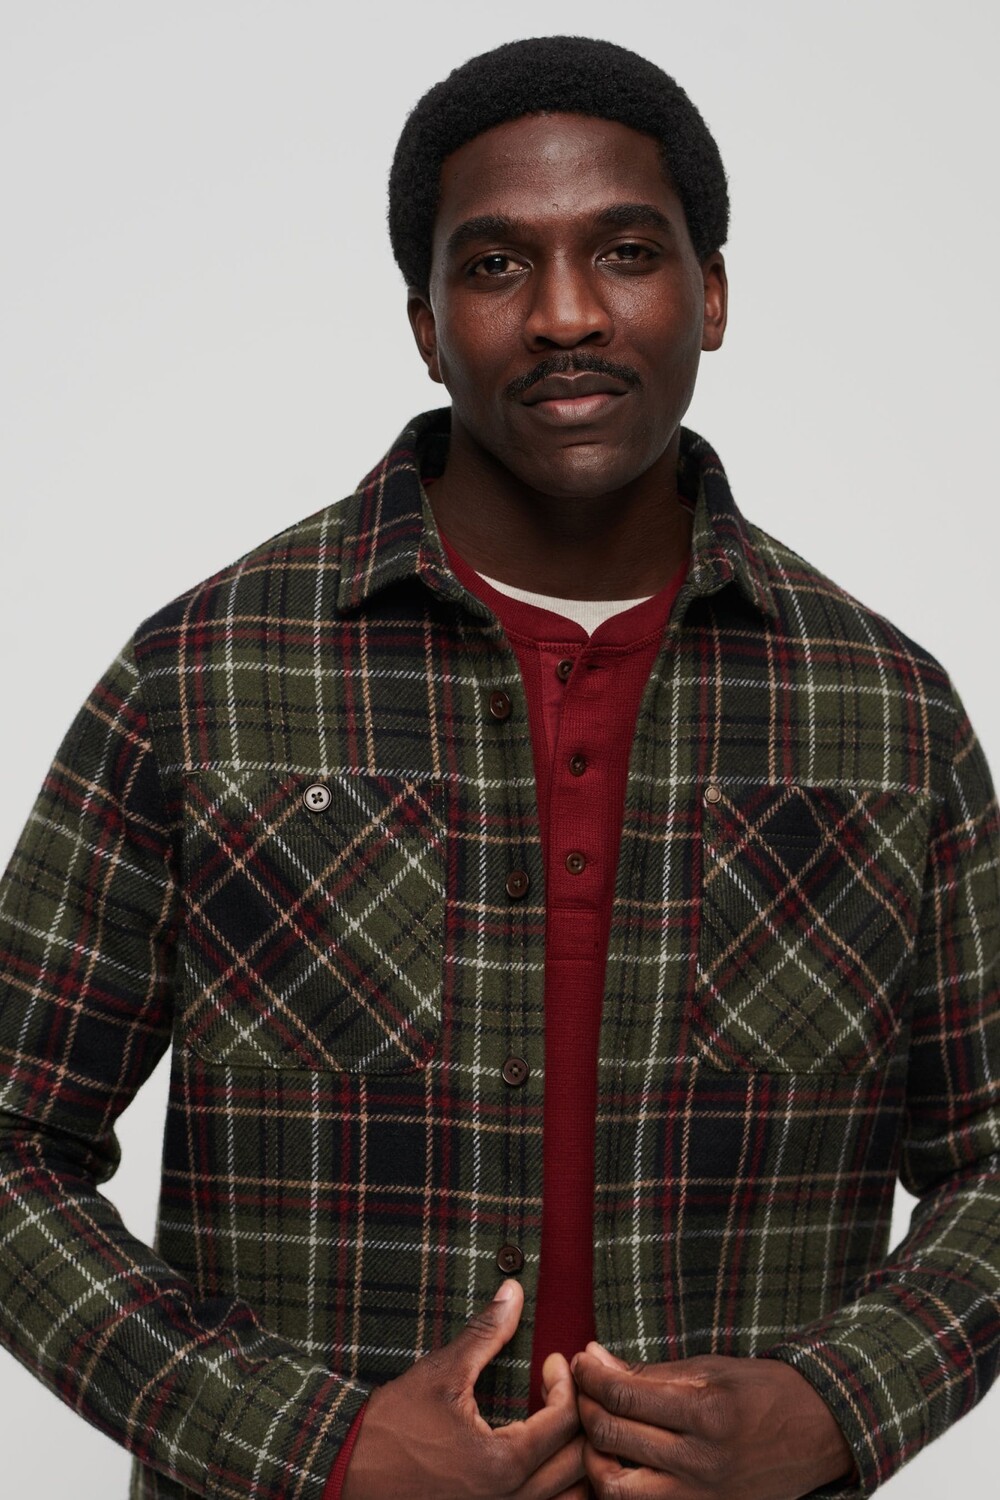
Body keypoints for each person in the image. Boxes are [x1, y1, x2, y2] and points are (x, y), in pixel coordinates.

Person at [0, 31, 997, 1500]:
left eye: (628, 253)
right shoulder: (204, 681)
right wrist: (321, 1446)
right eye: (495, 265)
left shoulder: (889, 714)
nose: (567, 314)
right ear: (424, 322)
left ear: (714, 295)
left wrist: (836, 1408)